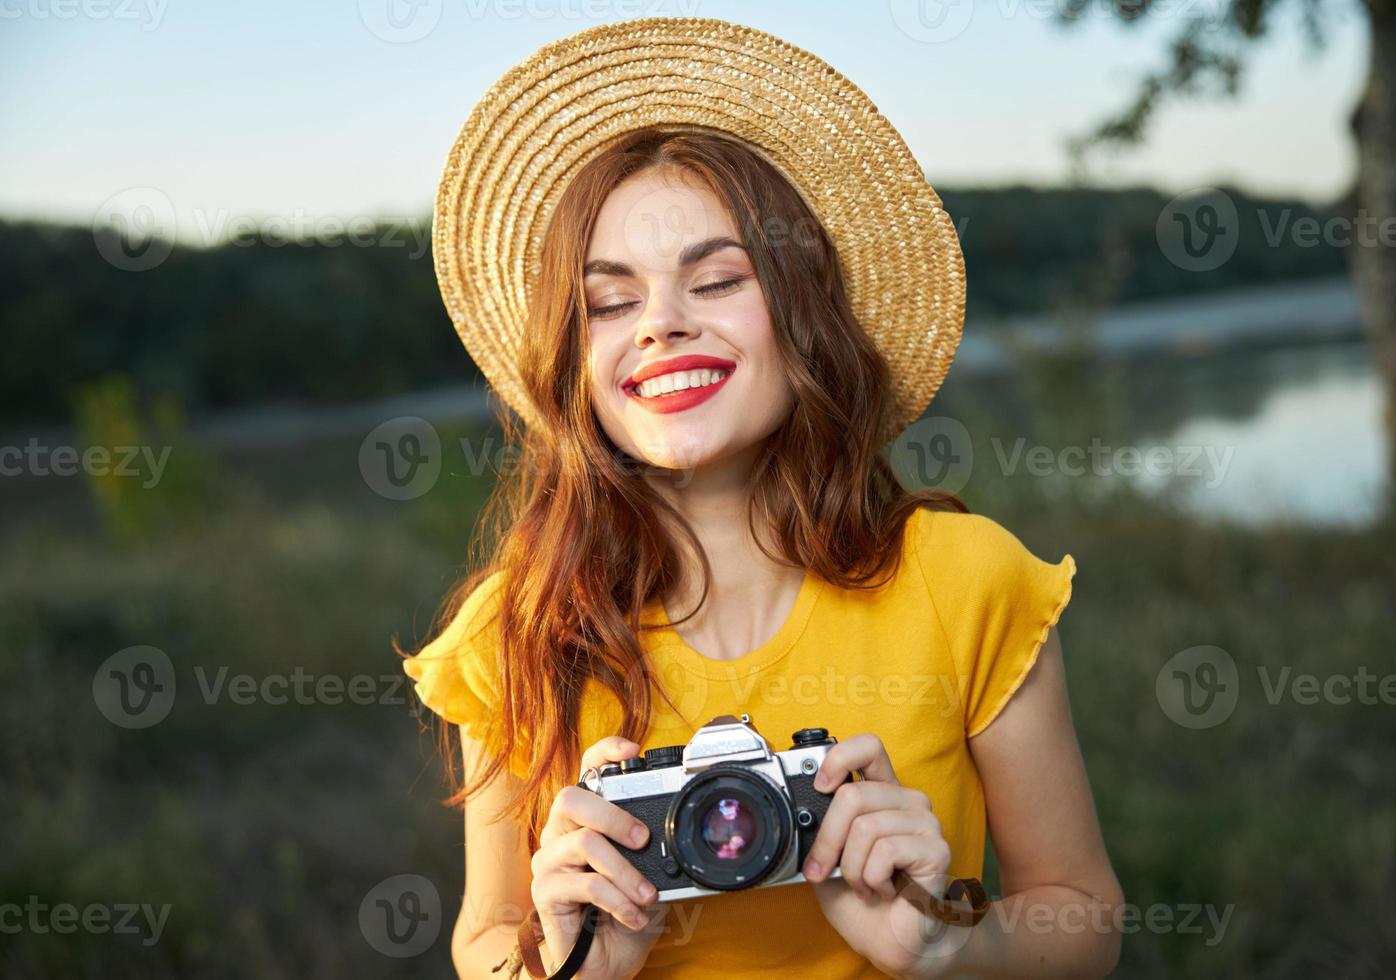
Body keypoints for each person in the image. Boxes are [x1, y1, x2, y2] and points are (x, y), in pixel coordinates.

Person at [400, 17, 1123, 980]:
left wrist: (948, 946)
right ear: (574, 358)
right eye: (610, 302)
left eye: (719, 278)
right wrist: (573, 967)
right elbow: (484, 936)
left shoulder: (967, 582)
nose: (662, 324)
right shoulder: (517, 629)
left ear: (804, 311)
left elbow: (1081, 915)